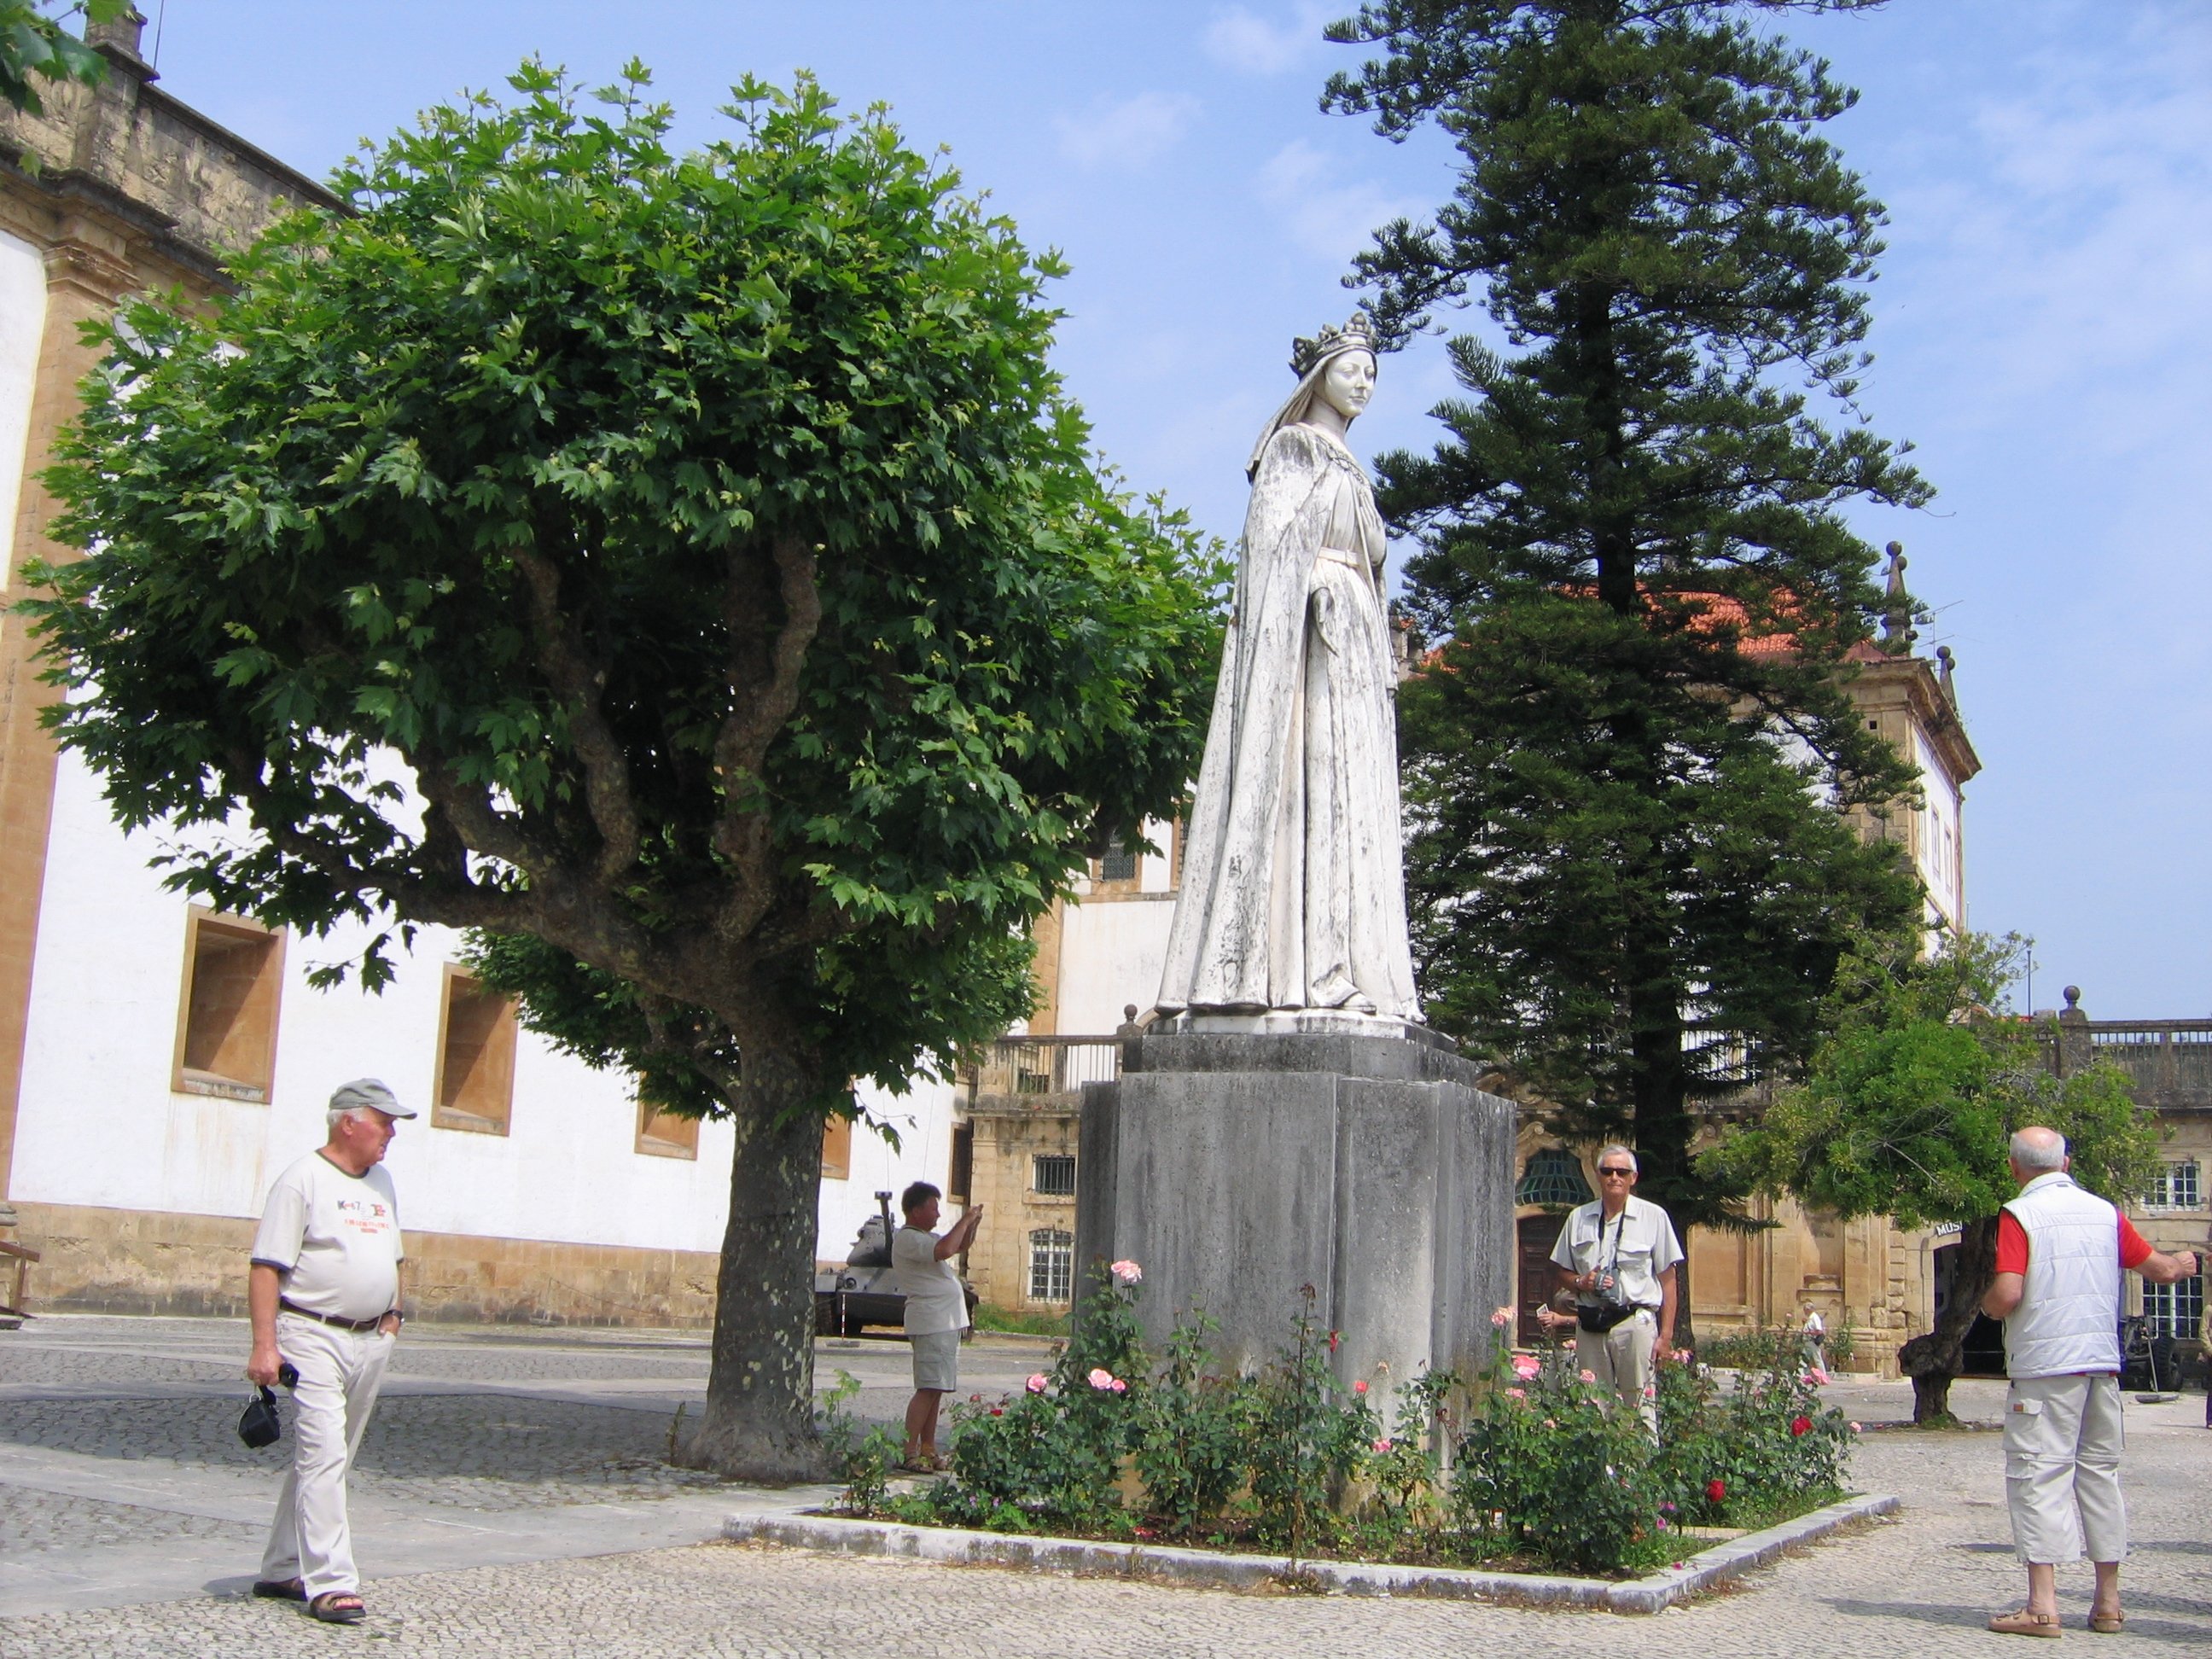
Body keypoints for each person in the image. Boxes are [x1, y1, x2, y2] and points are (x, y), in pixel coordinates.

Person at [1155, 311, 1420, 1022]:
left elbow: (1372, 561)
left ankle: (1358, 967)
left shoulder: (1351, 467)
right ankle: (1311, 970)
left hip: (1353, 642)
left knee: (1353, 807)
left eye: (1372, 373)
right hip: (1309, 644)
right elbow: (1268, 555)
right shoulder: (1293, 449)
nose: (1363, 382)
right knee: (1317, 797)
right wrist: (1318, 584)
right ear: (1318, 377)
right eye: (1350, 369)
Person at [1979, 1126, 2197, 1638]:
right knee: (2100, 1477)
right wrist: (2184, 1264)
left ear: (2014, 1167)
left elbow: (2008, 1292)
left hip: (2044, 1366)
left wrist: (1986, 1309)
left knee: (2039, 1475)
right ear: (2066, 1163)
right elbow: (2160, 1270)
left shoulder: (2020, 1214)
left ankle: (2042, 1606)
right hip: (2101, 1365)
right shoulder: (2105, 1213)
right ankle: (2108, 1603)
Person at [246, 1080, 413, 1624]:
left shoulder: (382, 1182)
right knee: (323, 1454)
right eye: (383, 1122)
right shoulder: (303, 1179)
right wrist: (265, 1346)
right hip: (311, 1334)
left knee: (332, 1456)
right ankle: (333, 1581)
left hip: (370, 1338)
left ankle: (281, 1566)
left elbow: (395, 1256)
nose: (390, 1133)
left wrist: (393, 1316)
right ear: (348, 1122)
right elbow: (266, 1267)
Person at [1550, 1145, 1682, 1430]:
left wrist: (1666, 1336)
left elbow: (1668, 1280)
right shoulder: (1578, 1218)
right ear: (1598, 1175)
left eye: (1622, 1172)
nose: (1614, 1177)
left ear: (1633, 1177)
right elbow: (1560, 1270)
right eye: (1607, 1171)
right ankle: (1599, 1461)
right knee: (1592, 1408)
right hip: (1591, 1324)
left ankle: (1641, 1461)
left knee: (1640, 1407)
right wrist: (1581, 1283)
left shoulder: (1654, 1217)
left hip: (1634, 1322)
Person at [892, 1180, 981, 1471]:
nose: (938, 1214)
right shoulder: (909, 1239)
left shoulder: (923, 1238)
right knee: (928, 1388)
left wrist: (972, 1224)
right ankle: (909, 1452)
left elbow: (959, 1245)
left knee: (936, 1388)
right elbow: (945, 1249)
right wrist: (965, 1219)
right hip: (932, 1322)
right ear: (916, 1211)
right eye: (933, 1208)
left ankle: (928, 1448)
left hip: (943, 1322)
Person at [1802, 1302, 1829, 1375]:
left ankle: (1823, 1375)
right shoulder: (1810, 1318)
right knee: (1805, 1358)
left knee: (1817, 1359)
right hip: (1807, 1342)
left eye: (1805, 1310)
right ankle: (1805, 1375)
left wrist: (1808, 1332)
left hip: (1812, 1342)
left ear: (1809, 1310)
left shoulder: (1814, 1317)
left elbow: (1819, 1331)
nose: (1804, 1312)